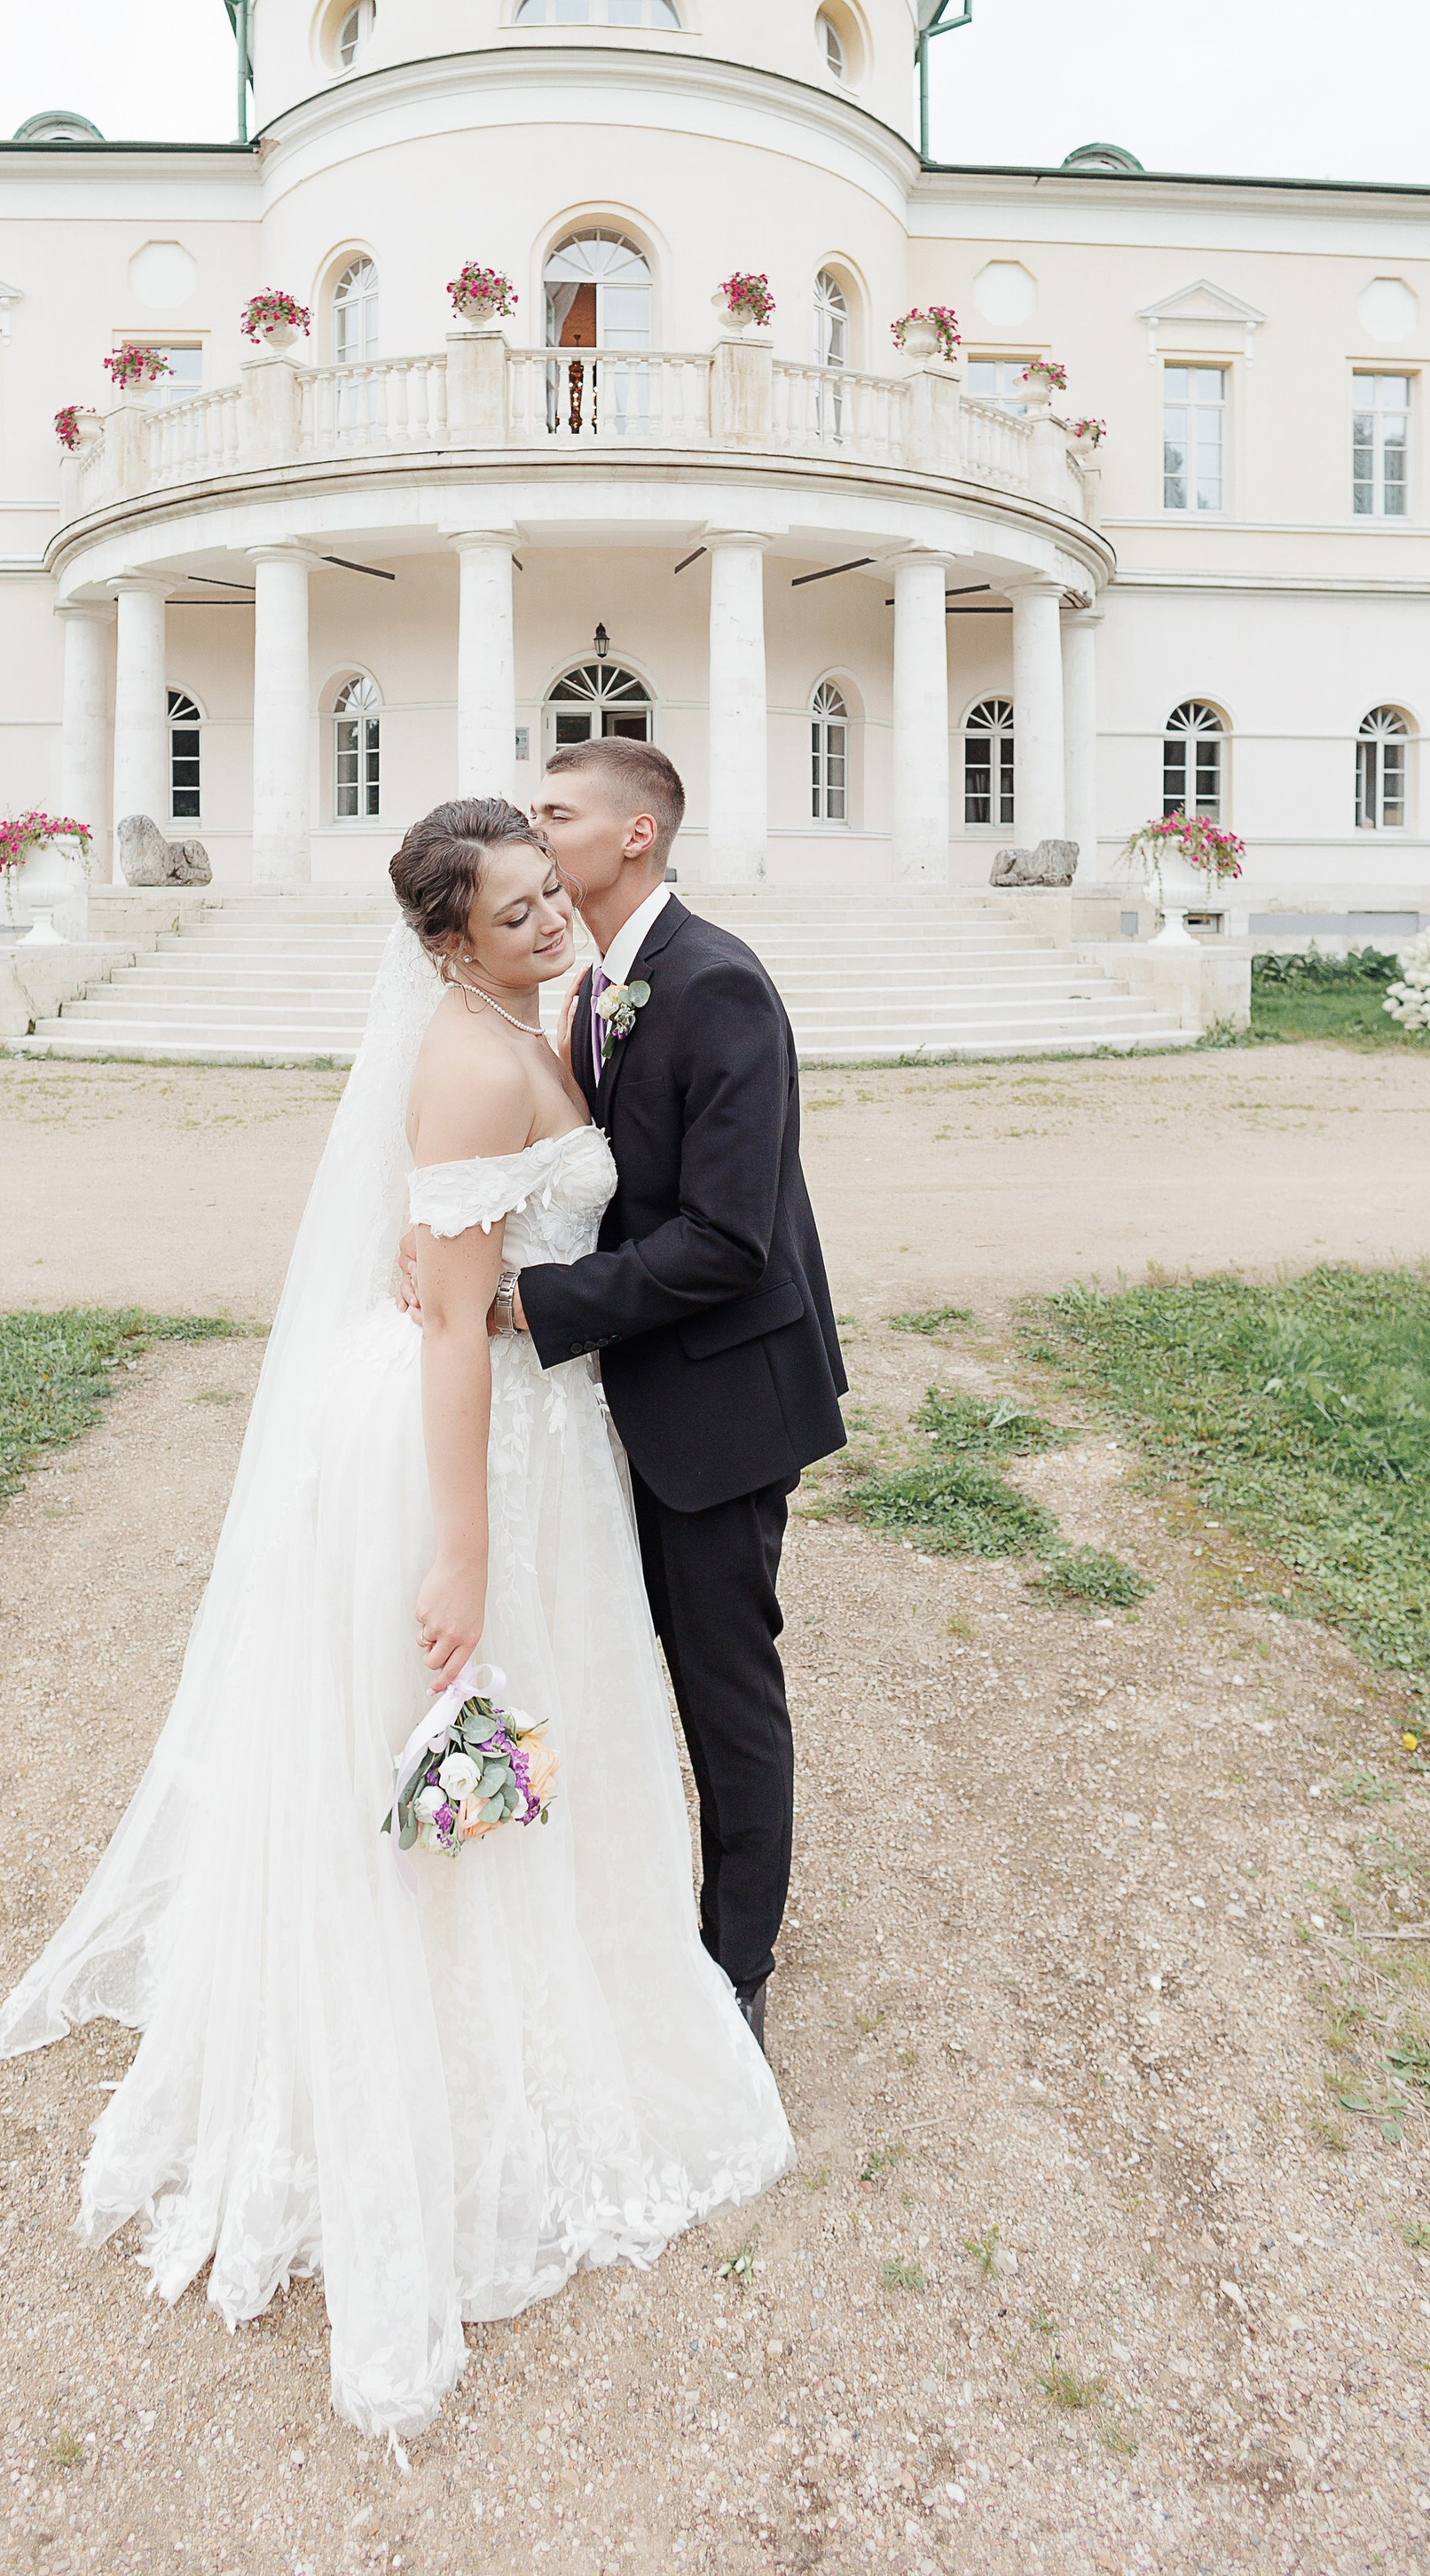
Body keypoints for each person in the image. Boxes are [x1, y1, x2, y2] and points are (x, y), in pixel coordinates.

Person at [0, 797, 789, 2442]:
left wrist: (462, 1278)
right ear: (446, 942)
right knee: (469, 1716)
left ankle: (533, 1968)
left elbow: (469, 1250)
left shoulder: (542, 1009)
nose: (550, 923)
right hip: (478, 1445)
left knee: (538, 1724)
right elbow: (445, 1328)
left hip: (545, 1417)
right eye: (514, 913)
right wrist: (461, 1551)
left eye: (548, 892)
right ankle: (444, 2026)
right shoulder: (475, 1057)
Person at [507, 738, 847, 2047]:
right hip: (634, 1391)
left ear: (634, 833)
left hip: (723, 1404)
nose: (536, 834)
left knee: (724, 1692)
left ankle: (737, 1967)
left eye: (556, 814)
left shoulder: (716, 985)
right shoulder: (599, 985)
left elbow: (727, 1240)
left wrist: (539, 1302)